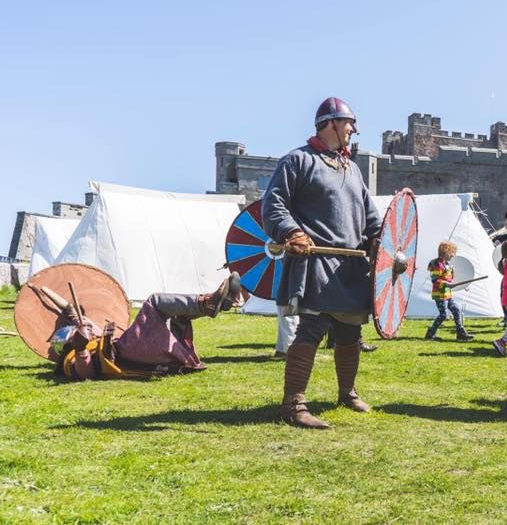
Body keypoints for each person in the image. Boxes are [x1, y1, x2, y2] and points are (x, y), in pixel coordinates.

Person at [262, 96, 382, 430]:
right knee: (312, 328)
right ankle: (293, 404)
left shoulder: (352, 169)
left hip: (350, 267)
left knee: (349, 331)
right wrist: (291, 232)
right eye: (349, 123)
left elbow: (370, 219)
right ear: (330, 123)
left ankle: (347, 392)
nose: (353, 130)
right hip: (315, 261)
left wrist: (378, 242)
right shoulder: (298, 161)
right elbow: (274, 205)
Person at [36, 273, 241, 381]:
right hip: (130, 354)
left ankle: (220, 303)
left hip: (151, 354)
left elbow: (71, 311)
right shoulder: (71, 360)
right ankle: (207, 303)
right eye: (77, 335)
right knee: (155, 303)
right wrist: (81, 350)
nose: (86, 329)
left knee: (179, 316)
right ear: (69, 345)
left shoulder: (88, 336)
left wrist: (41, 288)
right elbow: (85, 374)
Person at [425, 241, 475, 342]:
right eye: (452, 252)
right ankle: (430, 333)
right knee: (443, 315)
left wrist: (456, 278)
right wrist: (447, 284)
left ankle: (460, 333)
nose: (453, 255)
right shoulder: (438, 264)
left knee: (456, 310)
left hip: (447, 294)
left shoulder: (447, 265)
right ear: (445, 251)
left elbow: (449, 279)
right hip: (439, 295)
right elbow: (435, 280)